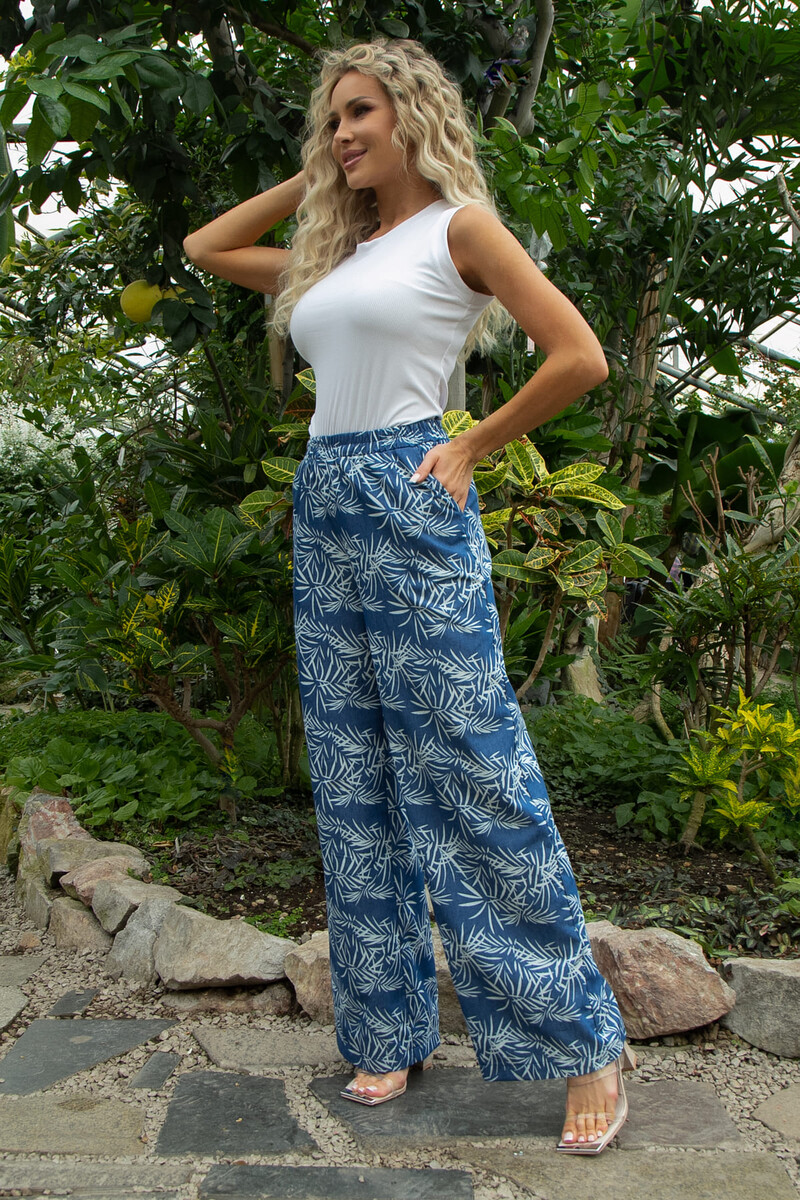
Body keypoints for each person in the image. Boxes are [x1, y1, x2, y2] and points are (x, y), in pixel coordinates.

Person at [184, 37, 632, 1154]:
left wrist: (474, 442)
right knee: (352, 773)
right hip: (326, 501)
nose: (343, 133)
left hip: (409, 483)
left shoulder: (458, 230)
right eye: (332, 118)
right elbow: (206, 247)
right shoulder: (332, 259)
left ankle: (584, 1043)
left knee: (474, 767)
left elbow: (578, 355)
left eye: (360, 114)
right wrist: (315, 174)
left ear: (413, 117)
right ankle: (385, 1025)